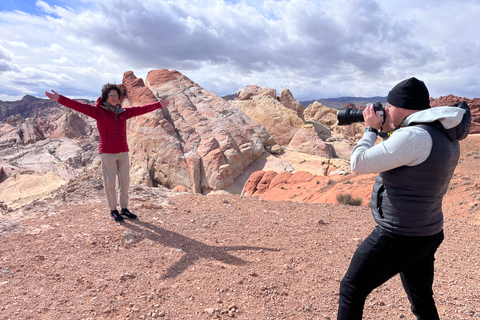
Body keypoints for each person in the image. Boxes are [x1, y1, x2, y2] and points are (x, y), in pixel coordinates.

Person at [337, 77, 470, 319]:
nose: (385, 110)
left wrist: (370, 130)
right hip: (426, 232)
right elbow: (407, 157)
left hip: (397, 235)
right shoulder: (442, 133)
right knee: (421, 300)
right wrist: (389, 132)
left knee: (351, 290)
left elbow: (358, 162)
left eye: (389, 106)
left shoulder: (414, 136)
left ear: (404, 107)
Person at [45, 83, 169, 222]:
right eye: (111, 95)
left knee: (125, 182)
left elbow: (140, 109)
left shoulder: (123, 112)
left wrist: (159, 105)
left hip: (123, 152)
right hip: (108, 153)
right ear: (105, 97)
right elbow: (77, 105)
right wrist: (59, 98)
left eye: (116, 95)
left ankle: (124, 209)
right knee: (110, 183)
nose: (114, 98)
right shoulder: (98, 111)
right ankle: (113, 211)